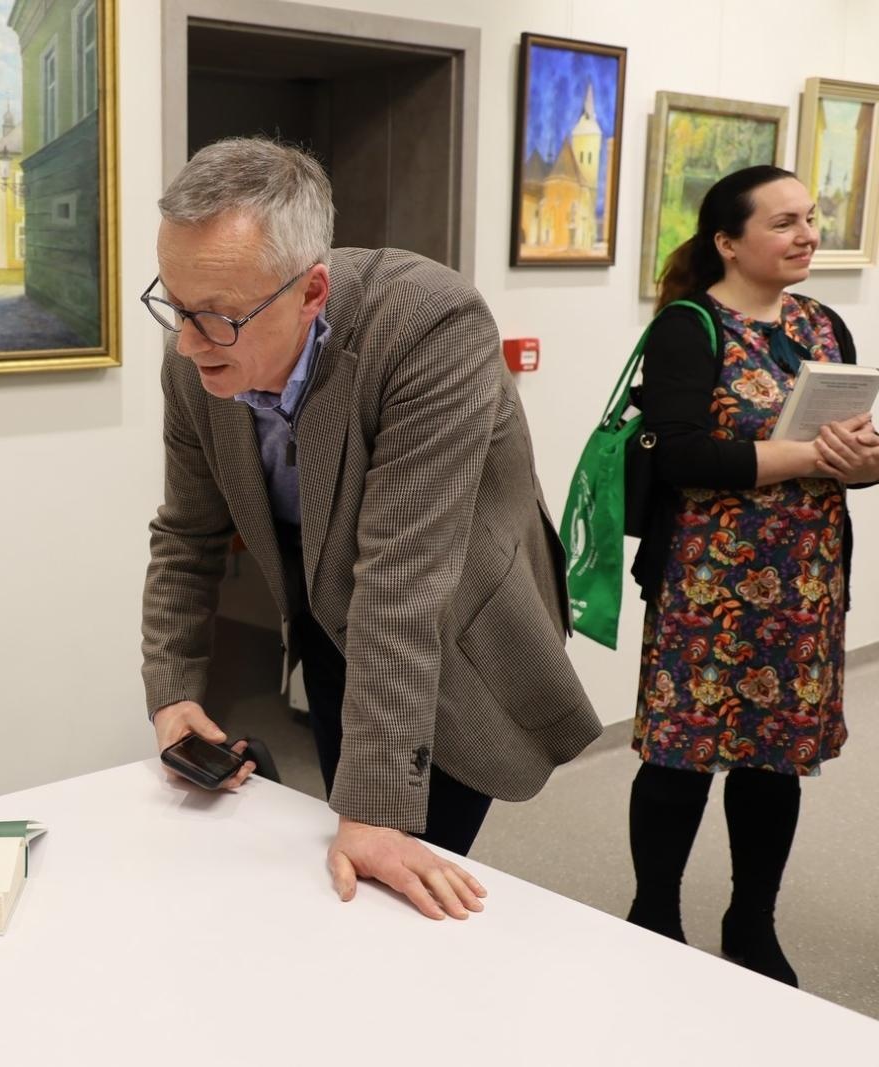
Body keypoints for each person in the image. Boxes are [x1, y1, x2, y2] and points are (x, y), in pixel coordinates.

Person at [140, 137, 602, 921]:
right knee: (351, 858)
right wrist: (173, 692)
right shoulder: (194, 358)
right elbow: (187, 535)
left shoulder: (430, 324)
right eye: (175, 306)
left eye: (216, 318)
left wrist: (378, 804)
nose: (187, 343)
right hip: (332, 615)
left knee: (401, 869)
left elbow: (403, 575)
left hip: (456, 627)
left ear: (312, 290)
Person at [626, 165, 879, 985]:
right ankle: (654, 912)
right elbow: (684, 457)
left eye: (811, 217)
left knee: (773, 762)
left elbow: (850, 452)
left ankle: (751, 918)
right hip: (708, 583)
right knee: (679, 757)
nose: (808, 233)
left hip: (803, 583)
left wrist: (862, 460)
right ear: (728, 242)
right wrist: (810, 455)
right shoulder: (689, 326)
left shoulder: (824, 322)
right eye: (785, 222)